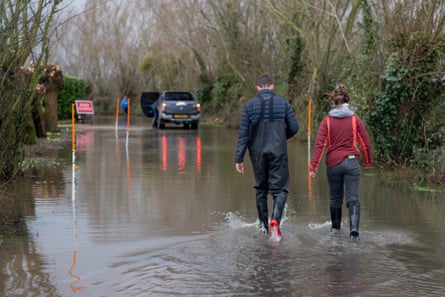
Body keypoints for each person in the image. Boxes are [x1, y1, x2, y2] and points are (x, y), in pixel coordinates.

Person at [235, 73, 299, 240]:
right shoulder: (283, 103)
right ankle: (275, 221)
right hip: (278, 151)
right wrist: (280, 137)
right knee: (281, 189)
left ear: (257, 87)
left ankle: (263, 227)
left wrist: (239, 158)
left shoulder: (249, 106)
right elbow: (294, 127)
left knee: (260, 189)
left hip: (257, 153)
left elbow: (243, 134)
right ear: (272, 86)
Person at [308, 83, 372, 241]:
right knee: (353, 199)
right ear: (347, 100)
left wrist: (313, 166)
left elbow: (320, 145)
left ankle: (335, 230)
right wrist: (368, 161)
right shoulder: (354, 119)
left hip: (334, 164)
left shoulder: (327, 121)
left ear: (333, 101)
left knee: (335, 198)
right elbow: (365, 142)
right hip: (351, 163)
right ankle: (354, 232)